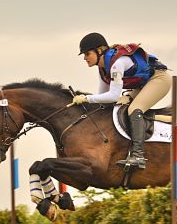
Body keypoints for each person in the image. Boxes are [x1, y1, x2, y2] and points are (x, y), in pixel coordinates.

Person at [73, 32, 171, 170]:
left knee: (134, 109)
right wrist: (86, 102)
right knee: (120, 106)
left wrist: (86, 98)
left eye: (87, 53)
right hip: (143, 85)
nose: (84, 58)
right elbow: (103, 97)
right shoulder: (103, 68)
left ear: (99, 50)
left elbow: (112, 96)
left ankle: (138, 156)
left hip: (159, 80)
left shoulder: (116, 64)